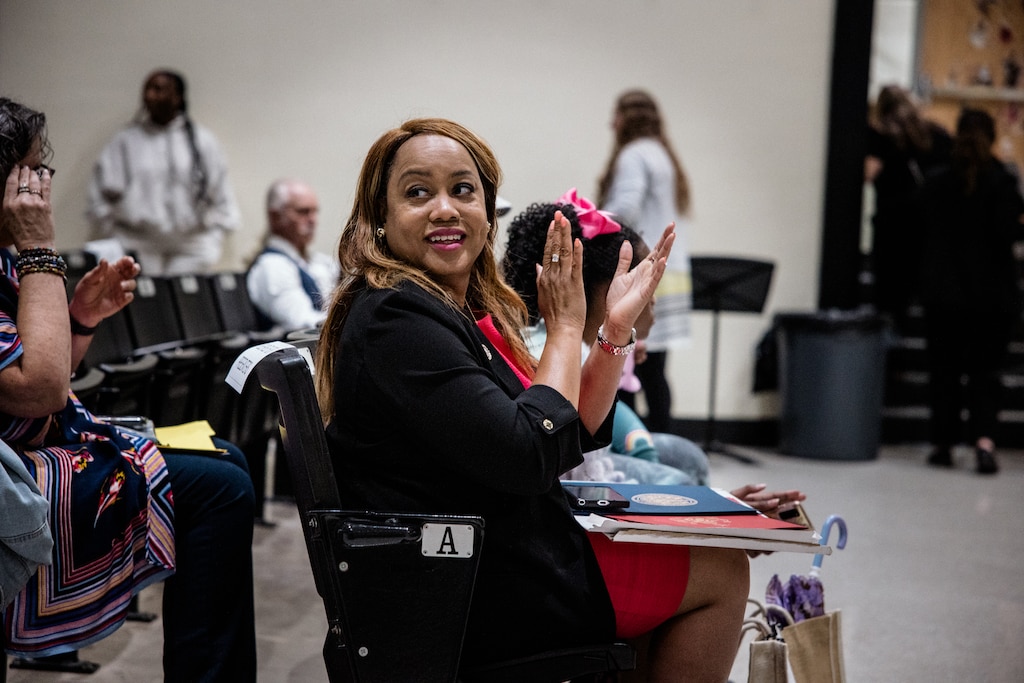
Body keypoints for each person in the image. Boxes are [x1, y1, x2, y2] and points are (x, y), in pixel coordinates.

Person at [315, 117, 752, 681]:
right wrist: (567, 326)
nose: (444, 208)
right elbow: (529, 455)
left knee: (705, 550)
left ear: (486, 210)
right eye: (417, 192)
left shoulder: (440, 308)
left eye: (463, 190)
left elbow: (564, 433)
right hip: (474, 583)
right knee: (722, 573)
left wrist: (613, 329)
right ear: (380, 219)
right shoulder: (398, 319)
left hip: (496, 555)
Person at [0, 97, 256, 682]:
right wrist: (40, 249)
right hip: (16, 472)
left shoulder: (3, 264)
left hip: (41, 446)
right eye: (34, 171)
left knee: (227, 459)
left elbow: (36, 379)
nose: (42, 186)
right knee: (221, 489)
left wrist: (82, 319)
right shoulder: (20, 257)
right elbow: (37, 391)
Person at [503, 192, 709, 486]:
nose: (653, 302)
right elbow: (574, 465)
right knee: (677, 480)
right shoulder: (561, 352)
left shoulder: (589, 344)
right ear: (608, 291)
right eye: (647, 284)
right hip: (569, 481)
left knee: (686, 456)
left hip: (590, 461)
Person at [918, 108, 1024, 475]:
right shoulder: (1004, 181)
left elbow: (921, 235)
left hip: (944, 294)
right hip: (992, 296)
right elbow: (1010, 233)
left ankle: (944, 444)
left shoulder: (935, 181)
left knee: (944, 372)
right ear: (993, 137)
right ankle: (984, 444)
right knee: (987, 373)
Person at [597, 89, 693, 433]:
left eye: (616, 115)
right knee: (654, 372)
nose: (612, 123)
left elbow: (626, 209)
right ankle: (663, 439)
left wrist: (586, 219)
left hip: (647, 269)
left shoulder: (634, 155)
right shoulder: (661, 154)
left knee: (629, 369)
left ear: (627, 119)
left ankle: (634, 443)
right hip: (671, 269)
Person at [87, 69, 241, 276]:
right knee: (146, 301)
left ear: (178, 97)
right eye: (147, 89)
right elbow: (101, 194)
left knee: (184, 301)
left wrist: (215, 233)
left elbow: (219, 192)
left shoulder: (201, 141)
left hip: (191, 243)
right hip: (138, 242)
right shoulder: (126, 141)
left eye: (158, 89)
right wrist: (112, 230)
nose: (150, 96)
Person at [865, 84, 952, 330]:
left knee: (891, 302)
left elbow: (869, 173)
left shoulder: (879, 138)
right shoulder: (935, 134)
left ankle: (891, 360)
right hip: (928, 228)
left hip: (892, 229)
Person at [246, 178, 339, 331]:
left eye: (315, 211)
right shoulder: (272, 266)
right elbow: (301, 323)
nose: (313, 220)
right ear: (275, 217)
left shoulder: (317, 261)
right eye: (303, 212)